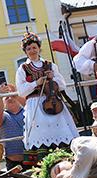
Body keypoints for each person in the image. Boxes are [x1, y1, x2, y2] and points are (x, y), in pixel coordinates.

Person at [16, 32, 79, 160]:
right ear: (25, 51)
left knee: (60, 132)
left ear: (39, 48)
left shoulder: (50, 65)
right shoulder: (23, 68)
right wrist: (35, 83)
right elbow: (21, 91)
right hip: (35, 105)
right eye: (29, 49)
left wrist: (52, 78)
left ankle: (66, 160)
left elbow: (62, 85)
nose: (32, 50)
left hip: (54, 103)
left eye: (34, 47)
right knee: (41, 135)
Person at [0, 83, 26, 170]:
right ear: (3, 103)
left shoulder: (27, 111)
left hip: (32, 157)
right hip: (13, 162)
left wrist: (16, 94)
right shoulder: (4, 115)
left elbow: (32, 107)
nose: (10, 98)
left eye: (12, 96)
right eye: (7, 97)